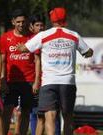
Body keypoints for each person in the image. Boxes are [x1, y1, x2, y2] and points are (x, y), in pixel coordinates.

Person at [17, 7, 93, 135]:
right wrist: (89, 52)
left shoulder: (43, 35)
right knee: (68, 117)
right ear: (65, 19)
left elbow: (24, 49)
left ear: (51, 20)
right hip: (68, 82)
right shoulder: (74, 35)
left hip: (49, 83)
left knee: (50, 116)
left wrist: (20, 46)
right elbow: (88, 52)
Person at [0, 9, 40, 135]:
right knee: (6, 111)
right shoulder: (5, 38)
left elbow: (37, 60)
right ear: (13, 22)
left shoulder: (33, 38)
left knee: (26, 112)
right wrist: (2, 80)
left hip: (28, 81)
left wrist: (36, 81)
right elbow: (2, 61)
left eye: (23, 21)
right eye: (18, 22)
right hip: (11, 81)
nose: (21, 24)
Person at [28, 14, 61, 135]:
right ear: (31, 27)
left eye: (42, 25)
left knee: (54, 113)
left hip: (51, 80)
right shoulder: (31, 40)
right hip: (36, 81)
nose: (40, 28)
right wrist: (36, 81)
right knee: (36, 113)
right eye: (37, 25)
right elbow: (35, 61)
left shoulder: (50, 38)